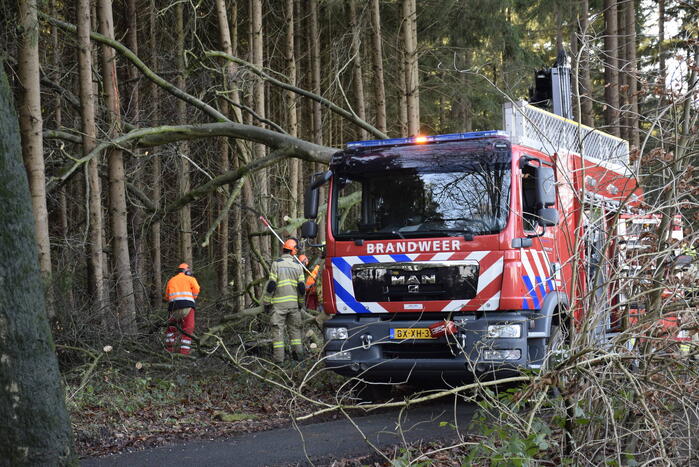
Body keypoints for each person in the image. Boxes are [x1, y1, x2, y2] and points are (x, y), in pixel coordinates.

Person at [263, 238, 306, 363]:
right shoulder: (298, 266)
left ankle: (279, 362)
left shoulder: (276, 264)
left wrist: (266, 303)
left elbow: (271, 285)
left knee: (278, 334)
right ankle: (299, 359)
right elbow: (302, 288)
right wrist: (300, 303)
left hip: (278, 306)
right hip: (293, 305)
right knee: (295, 333)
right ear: (293, 251)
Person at [164, 263, 201, 355]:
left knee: (171, 328)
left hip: (173, 307)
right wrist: (192, 297)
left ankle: (169, 350)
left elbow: (166, 296)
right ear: (187, 271)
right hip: (188, 306)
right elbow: (197, 289)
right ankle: (184, 352)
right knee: (188, 329)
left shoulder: (171, 280)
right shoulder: (191, 279)